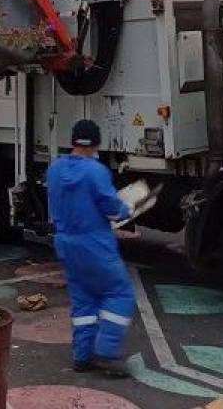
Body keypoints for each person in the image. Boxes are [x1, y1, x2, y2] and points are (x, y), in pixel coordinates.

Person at [46, 119, 137, 377]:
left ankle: (82, 355)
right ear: (96, 143)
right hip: (95, 244)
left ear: (73, 141)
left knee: (83, 300)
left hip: (66, 244)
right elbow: (111, 208)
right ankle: (106, 353)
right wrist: (125, 208)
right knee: (119, 293)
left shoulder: (54, 169)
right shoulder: (96, 172)